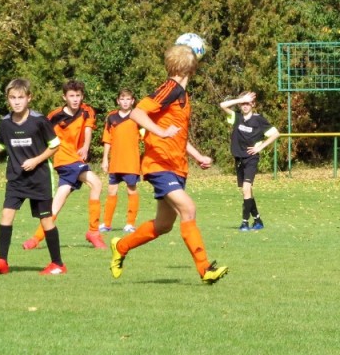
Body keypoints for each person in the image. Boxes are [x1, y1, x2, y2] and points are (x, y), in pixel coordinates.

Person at [109, 43, 228, 283]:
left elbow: (177, 135)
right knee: (188, 209)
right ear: (192, 68)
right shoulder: (170, 88)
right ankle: (205, 269)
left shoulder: (181, 94)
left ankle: (121, 246)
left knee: (164, 225)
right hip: (159, 165)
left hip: (176, 166)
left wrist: (197, 156)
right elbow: (137, 113)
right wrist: (160, 133)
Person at [0, 78, 67, 275]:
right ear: (8, 99)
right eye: (12, 98)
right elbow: (1, 143)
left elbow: (55, 146)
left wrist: (36, 161)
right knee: (6, 215)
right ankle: (2, 261)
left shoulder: (39, 121)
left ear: (29, 98)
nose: (17, 102)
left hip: (39, 179)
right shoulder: (5, 122)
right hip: (16, 178)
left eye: (21, 97)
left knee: (46, 221)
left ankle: (58, 264)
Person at [22, 79, 107, 250]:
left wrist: (85, 146)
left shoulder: (87, 111)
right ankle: (93, 232)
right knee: (96, 183)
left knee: (57, 203)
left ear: (82, 96)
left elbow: (88, 129)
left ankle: (35, 239)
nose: (75, 99)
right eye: (71, 96)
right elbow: (41, 134)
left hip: (76, 159)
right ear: (64, 97)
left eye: (78, 95)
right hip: (63, 159)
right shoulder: (54, 116)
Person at [219, 91, 280, 231]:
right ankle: (258, 220)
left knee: (246, 189)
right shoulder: (237, 117)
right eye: (243, 104)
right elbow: (222, 105)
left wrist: (260, 147)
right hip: (239, 158)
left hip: (251, 158)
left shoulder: (259, 120)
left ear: (253, 104)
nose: (245, 106)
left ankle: (244, 223)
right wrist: (240, 99)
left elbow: (276, 134)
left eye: (248, 103)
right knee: (247, 191)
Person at [100, 89, 142, 234]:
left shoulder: (138, 117)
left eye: (128, 99)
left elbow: (146, 136)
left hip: (131, 162)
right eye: (122, 99)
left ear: (132, 101)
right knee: (111, 191)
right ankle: (106, 224)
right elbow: (107, 140)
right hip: (115, 162)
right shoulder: (111, 117)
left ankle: (130, 224)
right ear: (118, 101)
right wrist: (105, 159)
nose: (125, 102)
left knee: (131, 190)